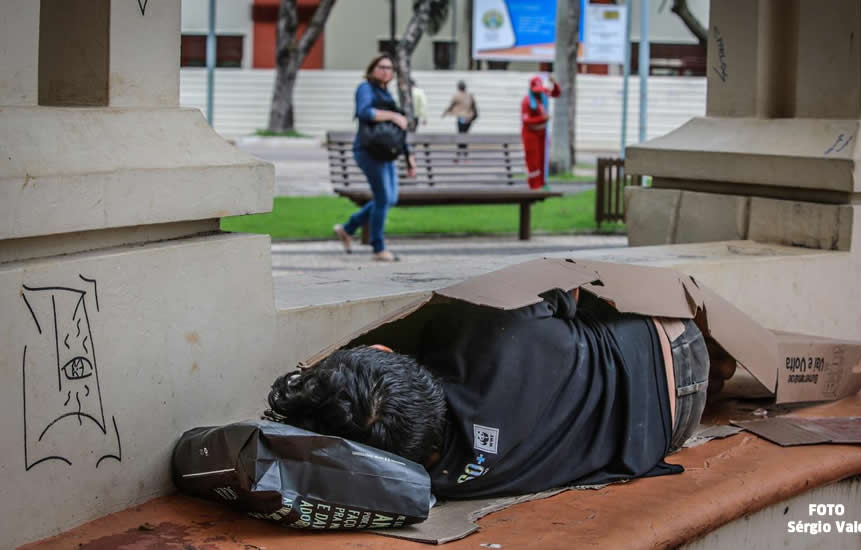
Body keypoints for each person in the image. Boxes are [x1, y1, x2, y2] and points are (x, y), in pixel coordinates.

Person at [268, 288, 736, 499]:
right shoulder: (482, 331)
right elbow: (566, 287)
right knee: (578, 316)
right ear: (384, 347)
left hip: (664, 430)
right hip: (669, 343)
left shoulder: (432, 485)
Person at [332, 54, 416, 262]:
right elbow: (365, 112)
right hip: (368, 151)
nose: (386, 71)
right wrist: (394, 116)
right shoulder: (365, 88)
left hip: (387, 153)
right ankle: (378, 248)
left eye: (389, 68)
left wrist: (409, 157)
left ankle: (347, 228)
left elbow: (397, 131)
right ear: (372, 69)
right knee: (382, 198)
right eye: (381, 67)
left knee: (390, 198)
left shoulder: (387, 94)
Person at [521, 75, 560, 190]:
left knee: (543, 159)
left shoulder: (543, 95)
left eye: (540, 90)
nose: (539, 93)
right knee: (533, 161)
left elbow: (557, 93)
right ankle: (534, 185)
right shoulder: (526, 101)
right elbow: (526, 121)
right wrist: (543, 119)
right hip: (530, 135)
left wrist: (554, 83)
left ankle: (543, 183)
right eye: (536, 91)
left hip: (542, 134)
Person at [442, 80, 478, 158]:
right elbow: (474, 106)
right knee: (464, 135)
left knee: (461, 135)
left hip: (461, 118)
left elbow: (451, 105)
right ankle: (464, 154)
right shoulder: (469, 95)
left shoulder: (457, 96)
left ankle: (459, 153)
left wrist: (445, 112)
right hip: (469, 118)